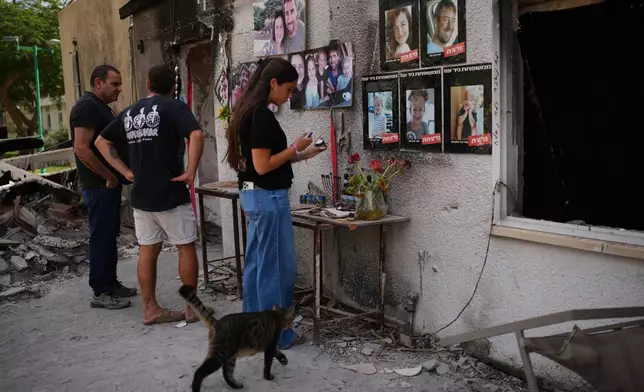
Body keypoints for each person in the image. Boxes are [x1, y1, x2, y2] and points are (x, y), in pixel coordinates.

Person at [224, 57, 325, 349]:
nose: (290, 95)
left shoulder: (246, 111)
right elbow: (264, 164)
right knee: (279, 269)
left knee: (258, 264)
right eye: (289, 89)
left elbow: (264, 162)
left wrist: (304, 154)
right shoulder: (261, 115)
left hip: (254, 194)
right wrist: (295, 146)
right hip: (268, 196)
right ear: (273, 83)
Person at [95, 65, 206, 326]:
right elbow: (197, 134)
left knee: (148, 250)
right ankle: (191, 309)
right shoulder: (173, 106)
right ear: (173, 86)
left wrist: (125, 171)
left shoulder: (130, 112)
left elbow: (102, 141)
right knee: (185, 245)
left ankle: (150, 309)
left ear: (148, 84)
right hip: (170, 192)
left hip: (141, 195)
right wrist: (190, 171)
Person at [70, 64, 137, 310]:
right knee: (101, 237)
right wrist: (108, 176)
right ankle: (101, 291)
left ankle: (110, 283)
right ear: (98, 83)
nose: (119, 89)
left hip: (107, 185)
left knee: (109, 235)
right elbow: (81, 148)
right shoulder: (87, 107)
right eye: (115, 84)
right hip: (98, 185)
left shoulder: (99, 107)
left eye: (120, 84)